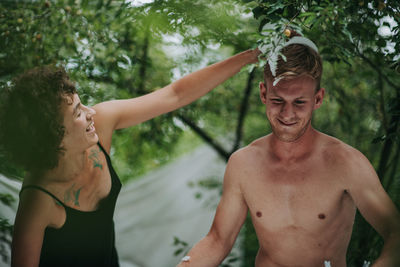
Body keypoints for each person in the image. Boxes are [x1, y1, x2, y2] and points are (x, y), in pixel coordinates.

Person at [0, 48, 260, 267]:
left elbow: (175, 94)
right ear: (52, 137)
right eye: (78, 113)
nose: (91, 112)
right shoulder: (37, 201)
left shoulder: (101, 124)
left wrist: (247, 57)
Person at [177, 31, 400, 267]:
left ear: (318, 99)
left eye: (299, 102)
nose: (287, 114)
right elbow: (218, 241)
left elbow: (396, 235)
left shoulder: (345, 162)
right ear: (264, 93)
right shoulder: (243, 163)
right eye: (278, 101)